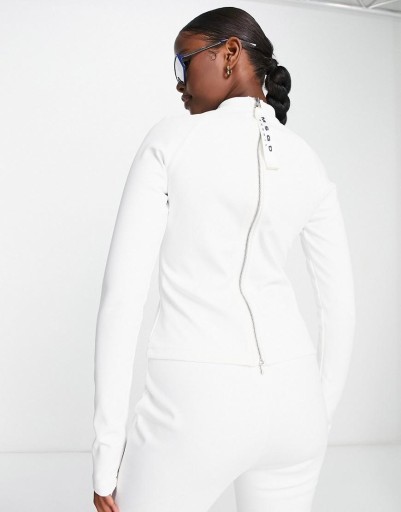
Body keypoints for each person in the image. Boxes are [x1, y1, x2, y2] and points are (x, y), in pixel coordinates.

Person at [92, 6, 356, 512]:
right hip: (297, 405)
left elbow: (122, 299)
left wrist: (106, 455)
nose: (178, 82)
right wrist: (317, 417)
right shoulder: (307, 160)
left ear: (229, 53)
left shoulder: (171, 140)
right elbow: (339, 305)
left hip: (194, 407)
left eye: (183, 62)